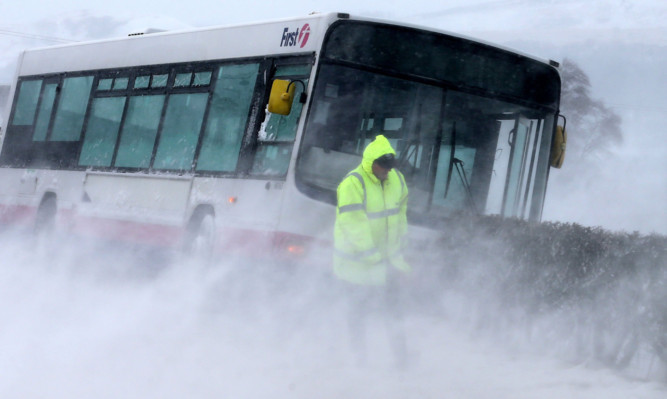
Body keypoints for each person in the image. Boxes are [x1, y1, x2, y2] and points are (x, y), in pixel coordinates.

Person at [333, 134, 411, 368]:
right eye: (382, 167)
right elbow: (353, 224)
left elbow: (401, 214)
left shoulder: (396, 179)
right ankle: (360, 361)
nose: (386, 171)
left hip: (386, 264)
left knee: (394, 313)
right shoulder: (352, 183)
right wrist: (374, 257)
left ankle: (402, 360)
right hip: (357, 268)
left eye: (389, 167)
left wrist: (400, 251)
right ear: (370, 163)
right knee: (357, 317)